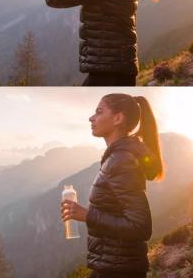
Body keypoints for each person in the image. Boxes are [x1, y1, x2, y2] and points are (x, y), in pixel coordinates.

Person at [61, 93, 164, 278]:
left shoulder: (121, 160)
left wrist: (87, 215)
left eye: (99, 112)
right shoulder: (119, 156)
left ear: (118, 118)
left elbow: (141, 227)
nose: (91, 118)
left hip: (118, 270)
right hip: (113, 265)